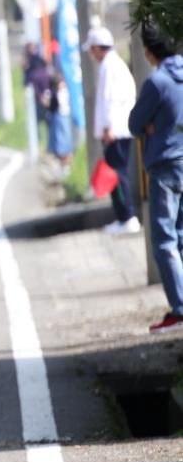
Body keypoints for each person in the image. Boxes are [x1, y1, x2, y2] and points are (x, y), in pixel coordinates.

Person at [128, 22, 183, 333]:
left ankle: (179, 308)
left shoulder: (157, 83)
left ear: (149, 53)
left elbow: (135, 124)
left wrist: (153, 126)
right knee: (182, 236)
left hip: (164, 166)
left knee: (164, 240)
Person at [87, 27, 141, 234]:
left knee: (117, 175)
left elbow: (109, 100)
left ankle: (127, 217)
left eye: (92, 50)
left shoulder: (109, 67)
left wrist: (108, 127)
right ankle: (122, 217)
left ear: (98, 48)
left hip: (115, 130)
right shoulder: (113, 65)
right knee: (116, 173)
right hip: (118, 129)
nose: (92, 55)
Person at [23, 42, 54, 146]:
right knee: (50, 123)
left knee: (36, 122)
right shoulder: (46, 73)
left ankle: (37, 142)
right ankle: (50, 144)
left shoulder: (33, 74)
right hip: (48, 100)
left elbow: (29, 85)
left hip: (38, 102)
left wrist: (41, 98)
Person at [47, 70, 74, 171]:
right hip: (61, 118)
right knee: (61, 141)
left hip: (63, 117)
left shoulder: (62, 93)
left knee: (63, 141)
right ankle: (63, 164)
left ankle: (65, 164)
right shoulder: (56, 93)